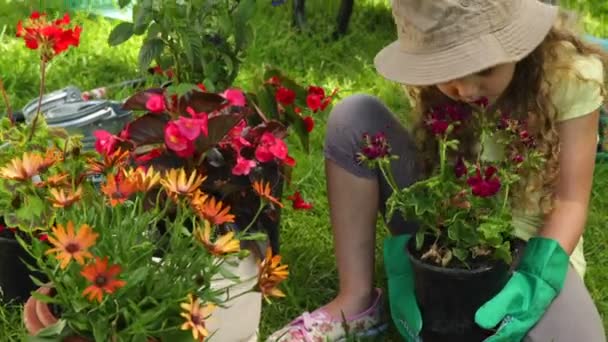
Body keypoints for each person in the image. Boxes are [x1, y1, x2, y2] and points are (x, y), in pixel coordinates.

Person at [267, 0, 607, 341]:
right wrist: (416, 248)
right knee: (355, 116)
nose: (467, 90)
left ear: (517, 45)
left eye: (486, 70)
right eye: (449, 75)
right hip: (446, 221)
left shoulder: (567, 75)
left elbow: (569, 203)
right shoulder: (435, 80)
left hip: (533, 241)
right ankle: (356, 300)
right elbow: (439, 172)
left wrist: (535, 280)